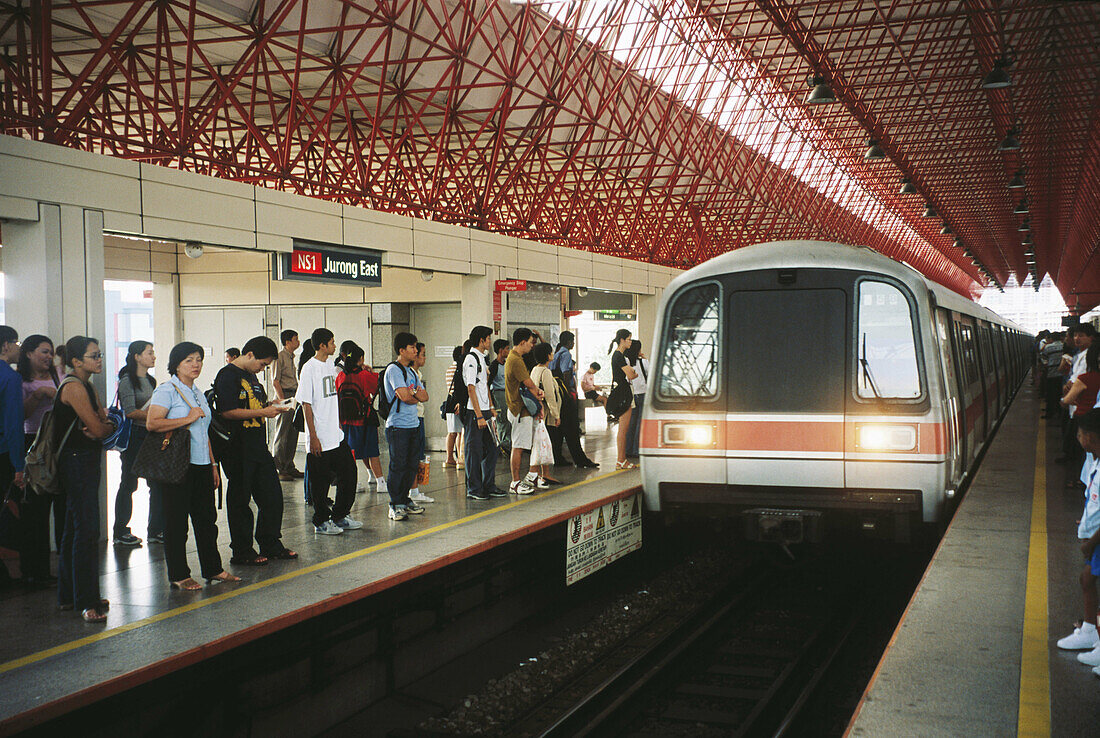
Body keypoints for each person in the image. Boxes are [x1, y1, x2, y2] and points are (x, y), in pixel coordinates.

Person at [148, 342, 240, 591]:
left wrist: (212, 465)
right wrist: (186, 418)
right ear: (176, 364)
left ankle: (213, 569)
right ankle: (179, 574)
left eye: (198, 359)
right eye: (189, 360)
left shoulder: (198, 392)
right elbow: (152, 423)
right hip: (177, 466)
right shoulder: (167, 390)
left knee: (206, 520)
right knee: (176, 523)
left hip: (201, 464)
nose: (196, 364)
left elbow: (204, 431)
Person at [214, 335, 298, 564]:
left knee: (272, 496)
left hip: (257, 446)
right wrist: (262, 413)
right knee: (241, 501)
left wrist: (271, 406)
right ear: (249, 354)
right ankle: (242, 551)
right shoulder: (227, 376)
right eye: (262, 364)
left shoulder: (250, 377)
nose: (262, 370)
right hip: (237, 448)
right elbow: (228, 412)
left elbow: (253, 405)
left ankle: (270, 543)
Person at [54, 336, 117, 621]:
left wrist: (102, 424)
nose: (99, 359)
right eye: (94, 355)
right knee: (86, 531)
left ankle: (70, 595)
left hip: (83, 461)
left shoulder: (87, 385)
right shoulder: (74, 387)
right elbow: (101, 427)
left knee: (73, 528)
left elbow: (104, 422)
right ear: (76, 361)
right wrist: (101, 425)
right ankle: (87, 600)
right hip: (77, 462)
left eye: (100, 354)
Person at [297, 328, 362, 535]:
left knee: (349, 474)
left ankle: (340, 515)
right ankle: (321, 521)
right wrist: (313, 436)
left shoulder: (329, 367)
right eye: (332, 342)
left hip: (336, 435)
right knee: (320, 483)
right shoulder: (309, 368)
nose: (335, 346)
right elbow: (306, 404)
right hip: (319, 438)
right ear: (322, 345)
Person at [16, 334, 65, 586]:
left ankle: (50, 569)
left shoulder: (59, 374)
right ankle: (33, 570)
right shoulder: (21, 381)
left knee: (58, 506)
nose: (48, 357)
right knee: (35, 510)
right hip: (32, 444)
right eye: (43, 352)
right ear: (28, 353)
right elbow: (20, 415)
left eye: (51, 352)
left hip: (56, 444)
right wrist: (38, 396)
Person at [1057, 410, 1100, 674]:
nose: (1078, 437)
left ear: (1091, 438)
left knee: (1090, 581)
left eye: (1080, 434)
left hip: (1097, 542)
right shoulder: (1094, 462)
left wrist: (1091, 542)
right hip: (1095, 541)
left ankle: (1092, 634)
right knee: (1087, 580)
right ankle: (1089, 631)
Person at [113, 340, 164, 547]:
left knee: (157, 484)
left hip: (150, 435)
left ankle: (156, 530)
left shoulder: (151, 381)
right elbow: (130, 411)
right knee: (129, 483)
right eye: (149, 353)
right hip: (135, 437)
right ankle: (120, 531)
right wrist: (154, 417)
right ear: (137, 356)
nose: (153, 356)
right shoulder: (127, 380)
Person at [384, 332, 428, 520]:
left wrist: (414, 394)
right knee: (398, 465)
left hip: (413, 424)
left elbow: (424, 396)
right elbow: (405, 396)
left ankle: (405, 499)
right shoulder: (393, 370)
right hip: (397, 426)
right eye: (412, 347)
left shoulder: (411, 372)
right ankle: (395, 504)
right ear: (401, 350)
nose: (416, 350)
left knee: (411, 465)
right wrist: (414, 394)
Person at [335, 341, 387, 497]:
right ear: (361, 359)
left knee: (350, 452)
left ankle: (354, 482)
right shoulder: (364, 375)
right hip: (364, 419)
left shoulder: (340, 375)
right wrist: (370, 371)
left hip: (345, 421)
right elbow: (377, 384)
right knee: (372, 451)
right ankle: (381, 482)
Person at [462, 326, 504, 500]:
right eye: (488, 338)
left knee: (493, 449)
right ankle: (474, 488)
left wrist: (491, 406)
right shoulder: (471, 360)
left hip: (485, 411)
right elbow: (471, 388)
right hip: (474, 412)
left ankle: (489, 485)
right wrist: (479, 415)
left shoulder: (482, 358)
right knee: (474, 451)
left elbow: (484, 385)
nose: (490, 341)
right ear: (481, 340)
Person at [504, 328, 545, 495]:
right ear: (522, 342)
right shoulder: (515, 360)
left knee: (525, 444)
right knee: (518, 446)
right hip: (519, 411)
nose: (531, 345)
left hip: (522, 410)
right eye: (530, 342)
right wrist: (538, 392)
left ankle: (531, 476)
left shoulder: (515, 358)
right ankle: (515, 483)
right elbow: (528, 383)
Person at [548, 333, 597, 469]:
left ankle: (558, 458)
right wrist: (569, 393)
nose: (574, 343)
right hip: (566, 396)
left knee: (559, 430)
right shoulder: (566, 355)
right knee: (572, 429)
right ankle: (580, 460)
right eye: (573, 341)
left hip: (558, 395)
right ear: (568, 341)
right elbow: (566, 373)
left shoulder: (556, 354)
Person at [0, 326, 25, 590]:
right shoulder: (10, 377)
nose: (18, 348)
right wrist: (19, 466)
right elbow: (13, 425)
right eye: (16, 342)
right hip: (3, 454)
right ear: (6, 346)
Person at [1063, 342, 1100, 485]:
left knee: (1083, 456)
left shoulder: (1086, 378)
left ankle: (1081, 482)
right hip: (1089, 420)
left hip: (1084, 418)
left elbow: (1067, 400)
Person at [272, 329, 303, 480]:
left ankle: (289, 465)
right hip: (284, 395)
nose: (298, 342)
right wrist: (283, 401)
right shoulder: (279, 357)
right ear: (288, 342)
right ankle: (280, 468)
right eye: (296, 339)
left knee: (292, 432)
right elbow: (275, 381)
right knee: (282, 433)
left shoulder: (291, 357)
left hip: (293, 395)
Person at [529, 342, 562, 485]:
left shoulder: (535, 370)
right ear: (548, 355)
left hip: (536, 411)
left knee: (541, 442)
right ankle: (536, 475)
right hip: (546, 413)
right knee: (544, 443)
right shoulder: (546, 372)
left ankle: (544, 473)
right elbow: (550, 395)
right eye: (551, 352)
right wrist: (556, 415)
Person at [408, 343, 434, 503]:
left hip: (420, 415)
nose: (424, 357)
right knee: (413, 455)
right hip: (414, 417)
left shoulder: (417, 373)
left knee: (418, 454)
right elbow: (415, 394)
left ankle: (415, 489)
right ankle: (413, 491)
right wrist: (419, 393)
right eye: (422, 354)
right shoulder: (410, 373)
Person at [609, 329, 638, 469]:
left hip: (622, 390)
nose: (630, 342)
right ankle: (621, 460)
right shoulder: (618, 356)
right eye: (629, 339)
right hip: (623, 392)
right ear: (622, 340)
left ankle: (622, 460)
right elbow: (632, 375)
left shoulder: (619, 355)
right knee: (623, 429)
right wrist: (633, 372)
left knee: (624, 428)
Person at [624, 339, 649, 458]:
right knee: (640, 423)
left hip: (632, 395)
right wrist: (643, 358)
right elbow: (650, 375)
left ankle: (628, 449)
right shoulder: (644, 362)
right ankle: (636, 450)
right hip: (643, 394)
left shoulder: (626, 362)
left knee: (631, 423)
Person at [443, 345, 465, 469]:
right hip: (456, 403)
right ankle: (458, 459)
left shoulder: (449, 369)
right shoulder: (458, 369)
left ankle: (450, 458)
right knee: (458, 432)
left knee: (453, 432)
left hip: (450, 402)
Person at [488, 339, 512, 454]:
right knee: (502, 420)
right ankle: (503, 444)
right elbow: (488, 384)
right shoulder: (494, 366)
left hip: (508, 393)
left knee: (509, 420)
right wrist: (491, 402)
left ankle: (508, 443)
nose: (508, 351)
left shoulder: (507, 364)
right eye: (507, 348)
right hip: (499, 394)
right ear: (501, 350)